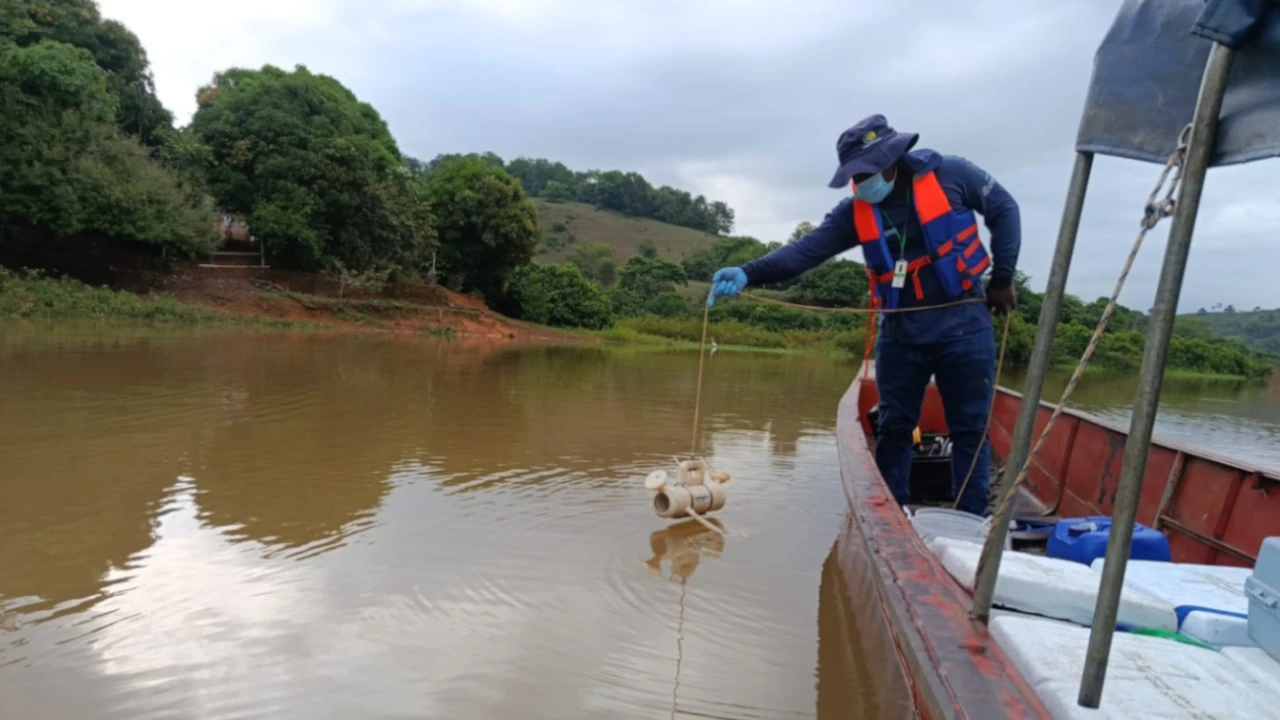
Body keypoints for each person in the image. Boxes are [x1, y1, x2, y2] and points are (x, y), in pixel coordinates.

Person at [707, 114, 1020, 515]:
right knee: (892, 428)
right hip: (901, 332)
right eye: (854, 175)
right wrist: (749, 271)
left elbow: (1005, 210)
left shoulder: (952, 175)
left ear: (892, 159)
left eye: (866, 172)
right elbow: (805, 252)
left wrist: (1003, 278)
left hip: (963, 325)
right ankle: (890, 515)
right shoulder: (853, 212)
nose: (861, 182)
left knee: (969, 430)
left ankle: (970, 521)